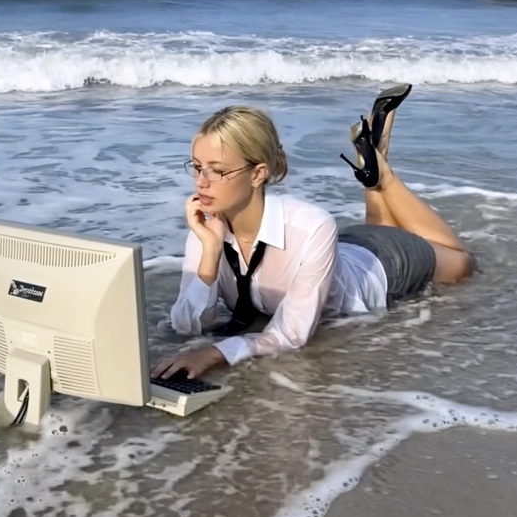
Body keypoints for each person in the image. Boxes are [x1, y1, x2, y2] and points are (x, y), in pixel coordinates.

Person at [151, 85, 473, 381]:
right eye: (197, 167)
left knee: (462, 263)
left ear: (258, 174)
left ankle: (381, 175)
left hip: (386, 265)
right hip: (344, 250)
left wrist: (216, 353)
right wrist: (210, 253)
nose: (201, 182)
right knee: (379, 226)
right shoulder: (207, 230)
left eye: (218, 171)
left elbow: (291, 334)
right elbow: (187, 326)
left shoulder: (311, 226)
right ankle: (372, 161)